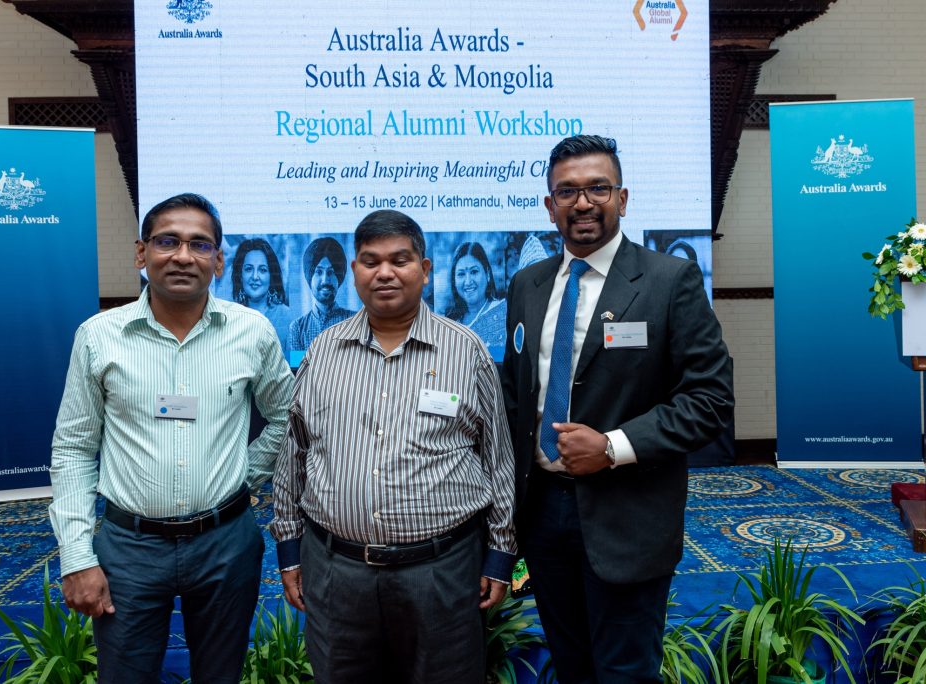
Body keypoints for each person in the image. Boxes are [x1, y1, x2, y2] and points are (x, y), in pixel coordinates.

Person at [501, 135, 734, 683]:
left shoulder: (668, 281)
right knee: (572, 664)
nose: (583, 203)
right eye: (568, 191)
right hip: (542, 514)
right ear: (549, 205)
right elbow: (517, 397)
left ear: (622, 199)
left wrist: (611, 447)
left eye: (597, 188)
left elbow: (711, 399)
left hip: (627, 514)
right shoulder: (527, 285)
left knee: (624, 672)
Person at [49, 193, 294, 682]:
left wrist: (244, 473)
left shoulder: (252, 331)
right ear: (141, 254)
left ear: (219, 260)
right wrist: (76, 557)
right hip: (130, 547)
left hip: (227, 544)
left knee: (220, 674)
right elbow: (74, 448)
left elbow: (288, 416)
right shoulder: (99, 336)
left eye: (200, 245)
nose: (184, 256)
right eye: (168, 241)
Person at [272, 209, 517, 684]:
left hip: (441, 571)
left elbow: (498, 460)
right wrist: (289, 547)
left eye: (400, 260)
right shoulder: (322, 351)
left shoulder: (466, 351)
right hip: (336, 570)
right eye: (370, 261)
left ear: (424, 271)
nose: (384, 272)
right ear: (356, 273)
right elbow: (293, 453)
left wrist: (501, 555)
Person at [286, 236, 355, 351]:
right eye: (318, 272)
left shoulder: (355, 321)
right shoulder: (298, 328)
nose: (325, 280)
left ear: (338, 277)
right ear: (310, 277)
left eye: (331, 272)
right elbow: (299, 368)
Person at [444, 241, 507, 348]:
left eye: (474, 272)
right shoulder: (450, 321)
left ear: (487, 274)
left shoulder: (502, 312)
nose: (468, 282)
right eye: (461, 274)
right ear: (454, 280)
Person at [231, 237, 291, 349]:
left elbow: (297, 361)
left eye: (262, 270)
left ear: (271, 276)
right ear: (240, 275)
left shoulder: (288, 318)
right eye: (249, 269)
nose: (255, 277)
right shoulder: (229, 318)